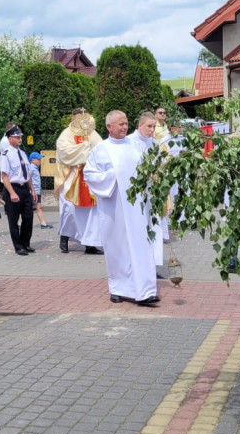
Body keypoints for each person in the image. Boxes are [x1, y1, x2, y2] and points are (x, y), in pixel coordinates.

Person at [84, 111, 159, 306]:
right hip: (113, 208)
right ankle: (118, 288)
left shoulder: (137, 145)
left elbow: (148, 169)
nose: (125, 127)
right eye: (120, 124)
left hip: (137, 208)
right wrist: (114, 175)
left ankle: (146, 290)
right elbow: (90, 175)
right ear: (109, 127)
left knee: (141, 246)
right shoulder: (101, 149)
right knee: (118, 247)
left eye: (126, 123)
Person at [55, 108, 104, 254]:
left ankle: (90, 244)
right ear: (73, 119)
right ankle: (64, 237)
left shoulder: (91, 132)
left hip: (88, 176)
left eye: (84, 118)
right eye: (78, 119)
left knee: (90, 211)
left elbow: (101, 148)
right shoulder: (66, 134)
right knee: (70, 209)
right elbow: (64, 152)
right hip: (72, 174)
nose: (81, 122)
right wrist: (84, 148)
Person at [127, 112, 168, 259]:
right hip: (136, 191)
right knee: (138, 226)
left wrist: (160, 169)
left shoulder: (154, 143)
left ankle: (153, 263)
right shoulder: (129, 142)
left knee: (153, 226)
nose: (152, 130)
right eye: (149, 126)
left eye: (154, 127)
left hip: (152, 191)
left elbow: (159, 162)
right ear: (140, 125)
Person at [0, 126, 37, 256]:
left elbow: (28, 173)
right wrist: (12, 193)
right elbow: (5, 176)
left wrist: (32, 189)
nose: (20, 139)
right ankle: (18, 246)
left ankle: (25, 243)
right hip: (13, 188)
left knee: (28, 217)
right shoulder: (6, 154)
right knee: (13, 220)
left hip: (24, 188)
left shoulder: (23, 153)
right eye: (17, 137)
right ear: (10, 139)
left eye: (20, 137)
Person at [28, 151, 52, 229]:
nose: (40, 161)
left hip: (37, 191)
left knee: (38, 207)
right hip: (33, 192)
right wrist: (31, 190)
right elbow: (27, 179)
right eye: (38, 159)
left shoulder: (35, 168)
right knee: (29, 209)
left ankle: (43, 223)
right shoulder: (31, 168)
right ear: (33, 160)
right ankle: (20, 224)